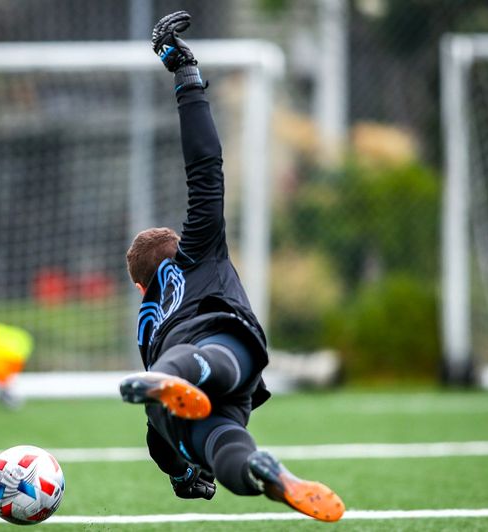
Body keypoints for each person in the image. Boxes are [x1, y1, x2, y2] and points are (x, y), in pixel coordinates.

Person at [119, 12, 344, 522]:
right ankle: (261, 464)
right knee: (214, 374)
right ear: (179, 249)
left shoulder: (146, 323)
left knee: (219, 451)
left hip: (174, 388)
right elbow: (205, 170)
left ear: (139, 286)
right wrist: (186, 76)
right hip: (231, 348)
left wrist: (181, 477)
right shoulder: (199, 252)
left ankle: (240, 455)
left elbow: (157, 444)